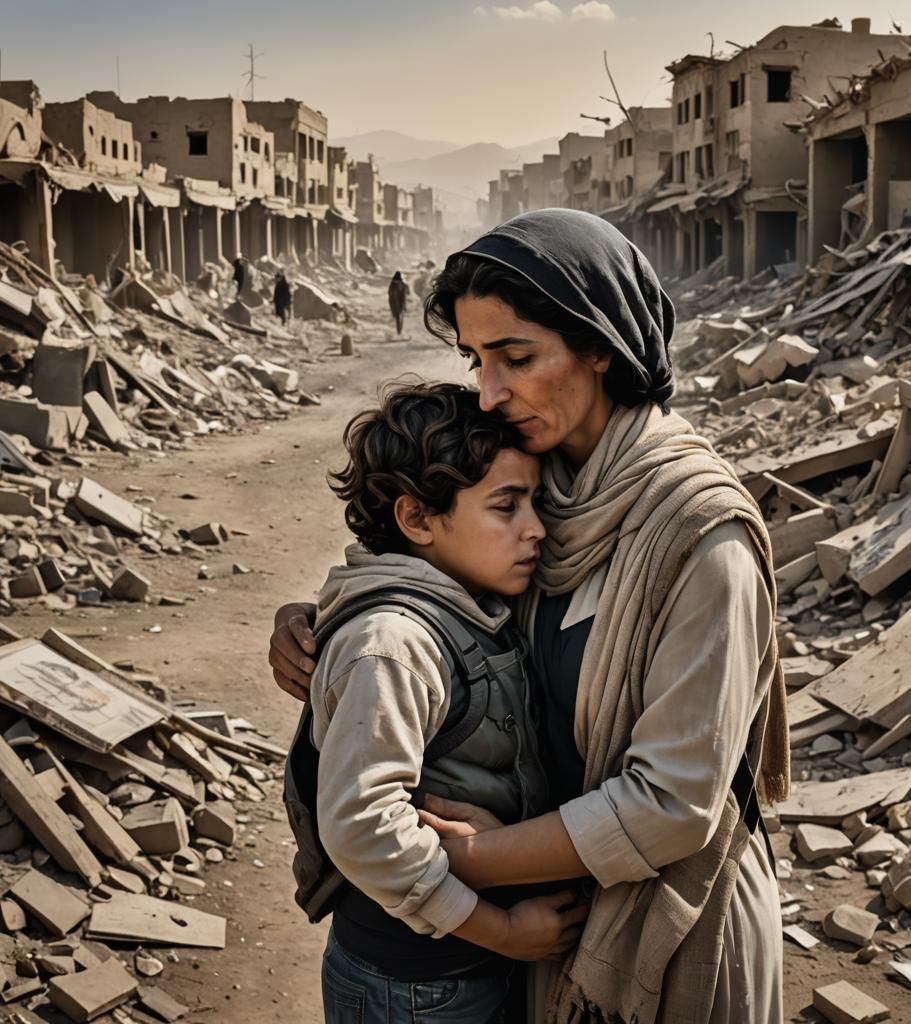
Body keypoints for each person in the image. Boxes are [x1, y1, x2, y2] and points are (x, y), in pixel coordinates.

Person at [269, 209, 788, 1023]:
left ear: (601, 347)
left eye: (516, 357)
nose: (490, 392)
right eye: (476, 360)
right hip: (548, 933)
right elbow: (428, 569)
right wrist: (321, 619)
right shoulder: (547, 485)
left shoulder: (698, 538)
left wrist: (474, 861)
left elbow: (675, 801)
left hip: (668, 932)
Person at [286, 381, 585, 1024]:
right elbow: (364, 830)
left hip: (454, 971)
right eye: (507, 506)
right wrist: (503, 930)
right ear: (417, 519)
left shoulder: (465, 600)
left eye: (535, 502)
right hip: (415, 987)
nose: (536, 529)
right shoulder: (392, 643)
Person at [388, 270, 410, 335]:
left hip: (397, 302)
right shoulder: (402, 283)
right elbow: (408, 292)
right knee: (399, 316)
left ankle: (399, 331)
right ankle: (399, 331)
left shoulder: (393, 284)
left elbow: (389, 293)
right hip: (398, 302)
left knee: (398, 315)